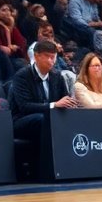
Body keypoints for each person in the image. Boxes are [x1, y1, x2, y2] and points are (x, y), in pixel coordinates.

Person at [8, 41, 77, 180]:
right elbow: (25, 106)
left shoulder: (57, 76)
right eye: (48, 56)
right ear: (37, 56)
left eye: (54, 57)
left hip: (48, 118)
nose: (51, 61)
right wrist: (54, 105)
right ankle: (46, 170)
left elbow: (64, 99)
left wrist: (70, 104)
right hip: (21, 120)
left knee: (68, 118)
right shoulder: (22, 76)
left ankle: (70, 166)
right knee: (42, 119)